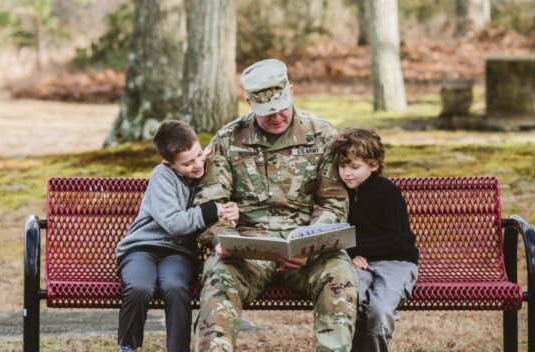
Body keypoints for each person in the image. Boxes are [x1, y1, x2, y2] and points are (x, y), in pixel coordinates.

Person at [191, 58, 359, 352]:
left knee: (339, 272)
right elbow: (210, 202)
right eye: (267, 112)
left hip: (306, 247)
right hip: (247, 249)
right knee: (218, 276)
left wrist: (311, 244)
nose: (277, 117)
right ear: (248, 101)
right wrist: (224, 240)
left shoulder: (322, 134)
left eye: (281, 107)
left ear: (292, 91)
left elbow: (332, 202)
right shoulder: (228, 139)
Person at [114, 120, 239, 352]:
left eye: (199, 155)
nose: (197, 165)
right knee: (140, 287)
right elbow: (175, 223)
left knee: (175, 287)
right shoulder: (162, 176)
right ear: (168, 163)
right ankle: (128, 347)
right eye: (188, 163)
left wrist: (231, 209)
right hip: (142, 249)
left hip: (179, 254)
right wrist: (214, 210)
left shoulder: (204, 167)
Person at [328, 128, 419, 352]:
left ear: (374, 165)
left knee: (379, 311)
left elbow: (398, 240)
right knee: (352, 302)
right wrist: (350, 254)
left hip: (395, 264)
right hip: (359, 263)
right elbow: (334, 233)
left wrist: (357, 249)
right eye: (342, 166)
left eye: (354, 167)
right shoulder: (339, 195)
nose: (347, 173)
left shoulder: (387, 192)